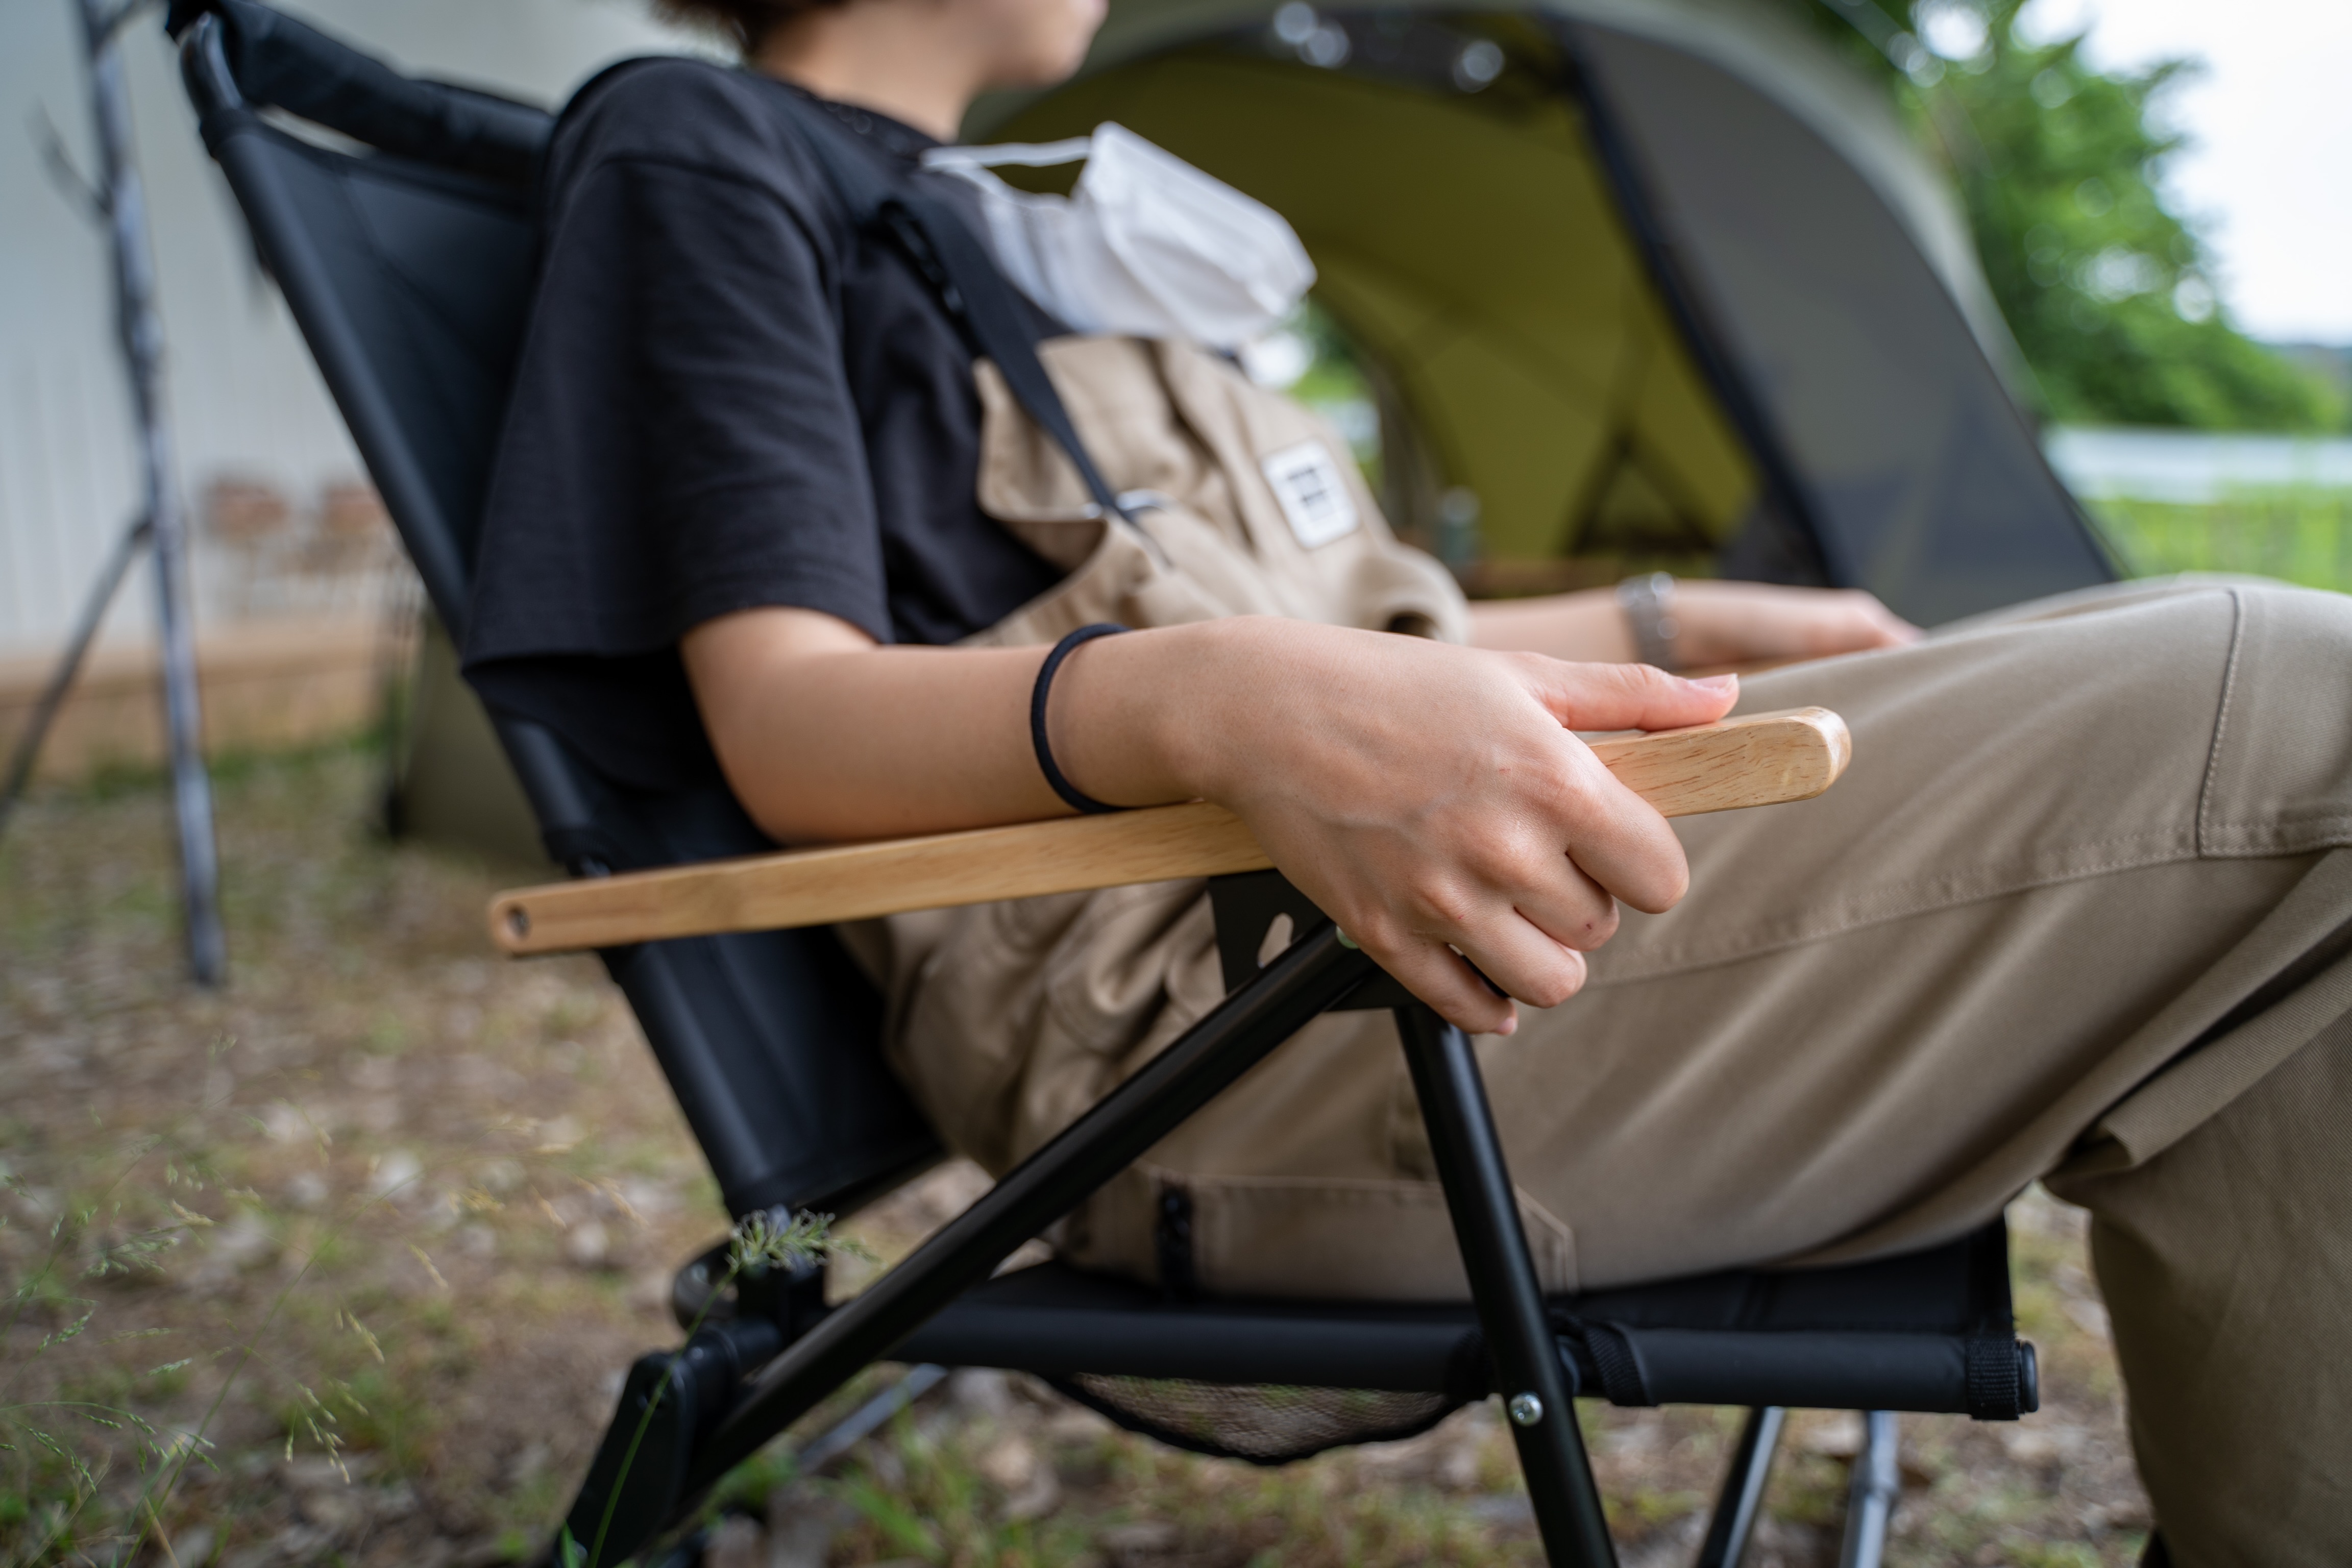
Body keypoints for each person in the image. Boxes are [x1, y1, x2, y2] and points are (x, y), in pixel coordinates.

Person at [460, 0, 2352, 1560]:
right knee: (2293, 713)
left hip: (1353, 932)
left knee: (2258, 816)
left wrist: (1650, 610)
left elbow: (1332, 632)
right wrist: (1214, 699)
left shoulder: (1010, 217)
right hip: (1225, 1024)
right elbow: (785, 721)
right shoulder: (702, 150)